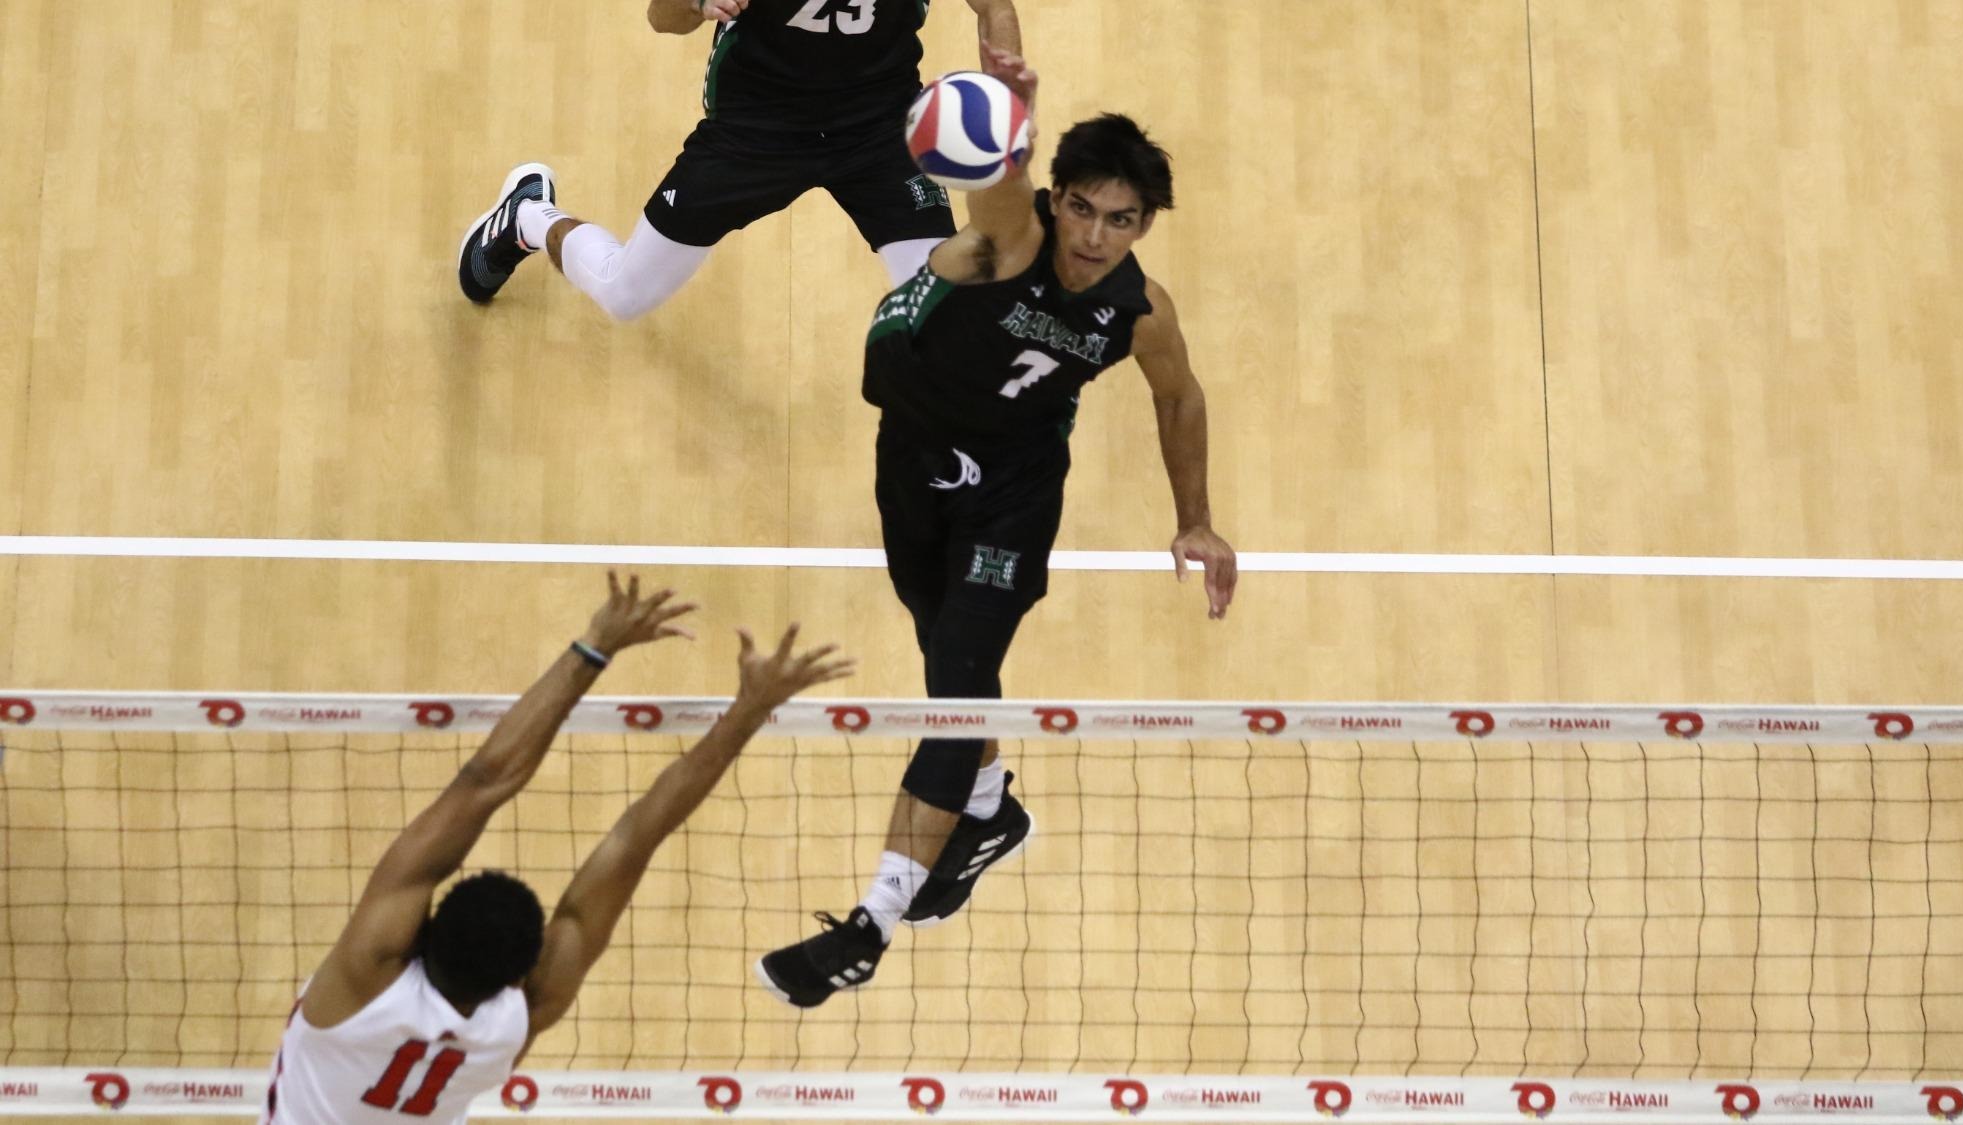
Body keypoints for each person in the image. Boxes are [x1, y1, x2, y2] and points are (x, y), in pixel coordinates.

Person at [754, 46, 1239, 1008]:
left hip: (1013, 493)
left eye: (1125, 220)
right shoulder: (1009, 239)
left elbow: (1180, 400)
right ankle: (988, 809)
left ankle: (866, 925)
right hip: (914, 459)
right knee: (946, 660)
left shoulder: (1139, 312)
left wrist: (1198, 522)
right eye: (1088, 209)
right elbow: (993, 185)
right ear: (1058, 199)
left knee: (960, 689)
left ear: (1145, 226)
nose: (1100, 237)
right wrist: (1009, 115)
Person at [261, 572, 852, 1123]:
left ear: (427, 925)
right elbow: (635, 838)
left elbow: (485, 780)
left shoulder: (367, 974)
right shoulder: (519, 1019)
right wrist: (749, 709)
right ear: (521, 972)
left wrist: (596, 645)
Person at [457, 0, 1022, 320]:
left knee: (947, 321)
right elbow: (662, 16)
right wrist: (700, 4)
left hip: (880, 130)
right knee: (624, 295)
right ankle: (528, 218)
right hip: (757, 129)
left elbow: (993, 5)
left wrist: (1007, 101)